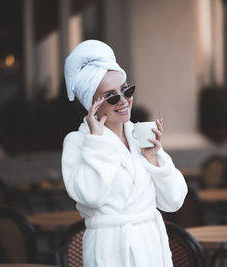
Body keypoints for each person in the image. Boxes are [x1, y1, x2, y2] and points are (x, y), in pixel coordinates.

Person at [61, 40, 188, 267]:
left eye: (126, 89)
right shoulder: (78, 142)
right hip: (109, 252)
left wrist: (152, 158)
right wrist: (97, 142)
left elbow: (174, 201)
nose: (124, 100)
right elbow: (91, 196)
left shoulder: (139, 134)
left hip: (150, 250)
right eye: (111, 96)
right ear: (92, 104)